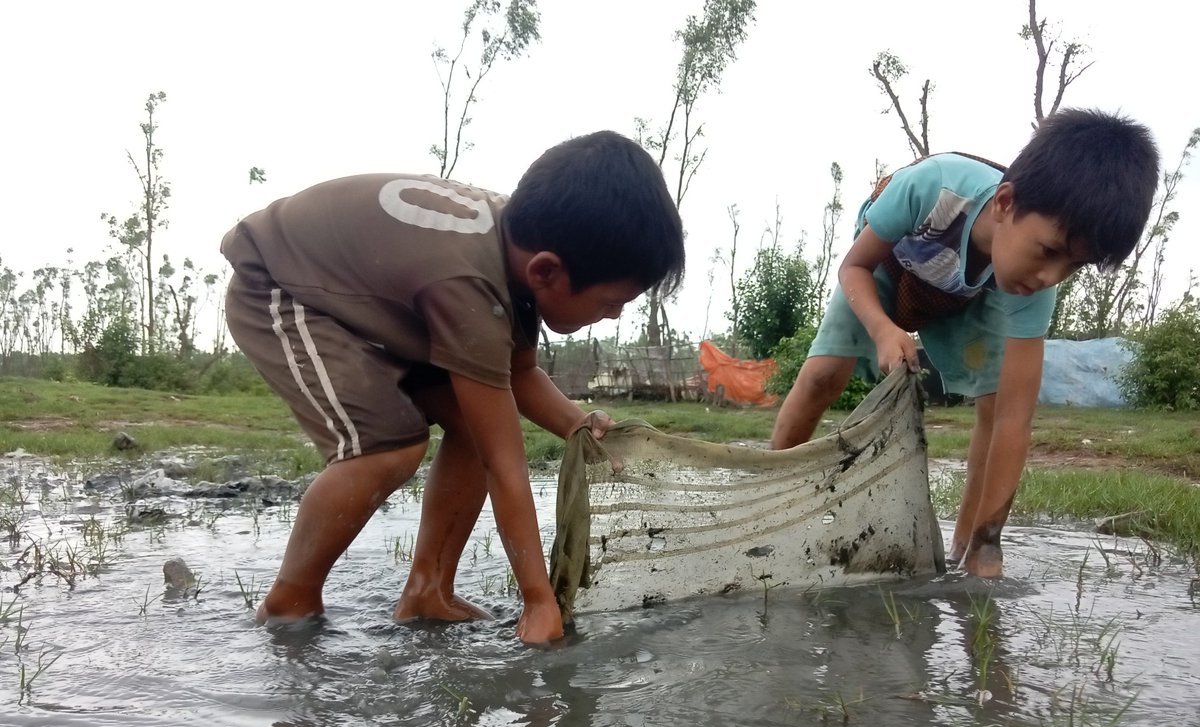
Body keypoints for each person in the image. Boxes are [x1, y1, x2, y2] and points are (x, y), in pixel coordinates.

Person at [221, 131, 686, 644]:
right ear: (547, 271)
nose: (615, 314)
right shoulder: (468, 284)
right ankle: (290, 600)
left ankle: (428, 591)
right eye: (610, 302)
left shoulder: (513, 265)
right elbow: (503, 462)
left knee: (468, 423)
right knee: (386, 446)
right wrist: (538, 600)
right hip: (283, 286)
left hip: (375, 306)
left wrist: (577, 423)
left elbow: (518, 375)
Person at [771, 109, 1158, 578]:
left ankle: (967, 548)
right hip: (887, 268)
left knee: (994, 409)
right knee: (824, 374)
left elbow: (1016, 418)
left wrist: (990, 545)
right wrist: (883, 330)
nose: (1050, 277)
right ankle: (772, 501)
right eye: (1050, 252)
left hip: (968, 293)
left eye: (1073, 267)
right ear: (1005, 203)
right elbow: (853, 267)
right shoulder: (932, 188)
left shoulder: (1029, 286)